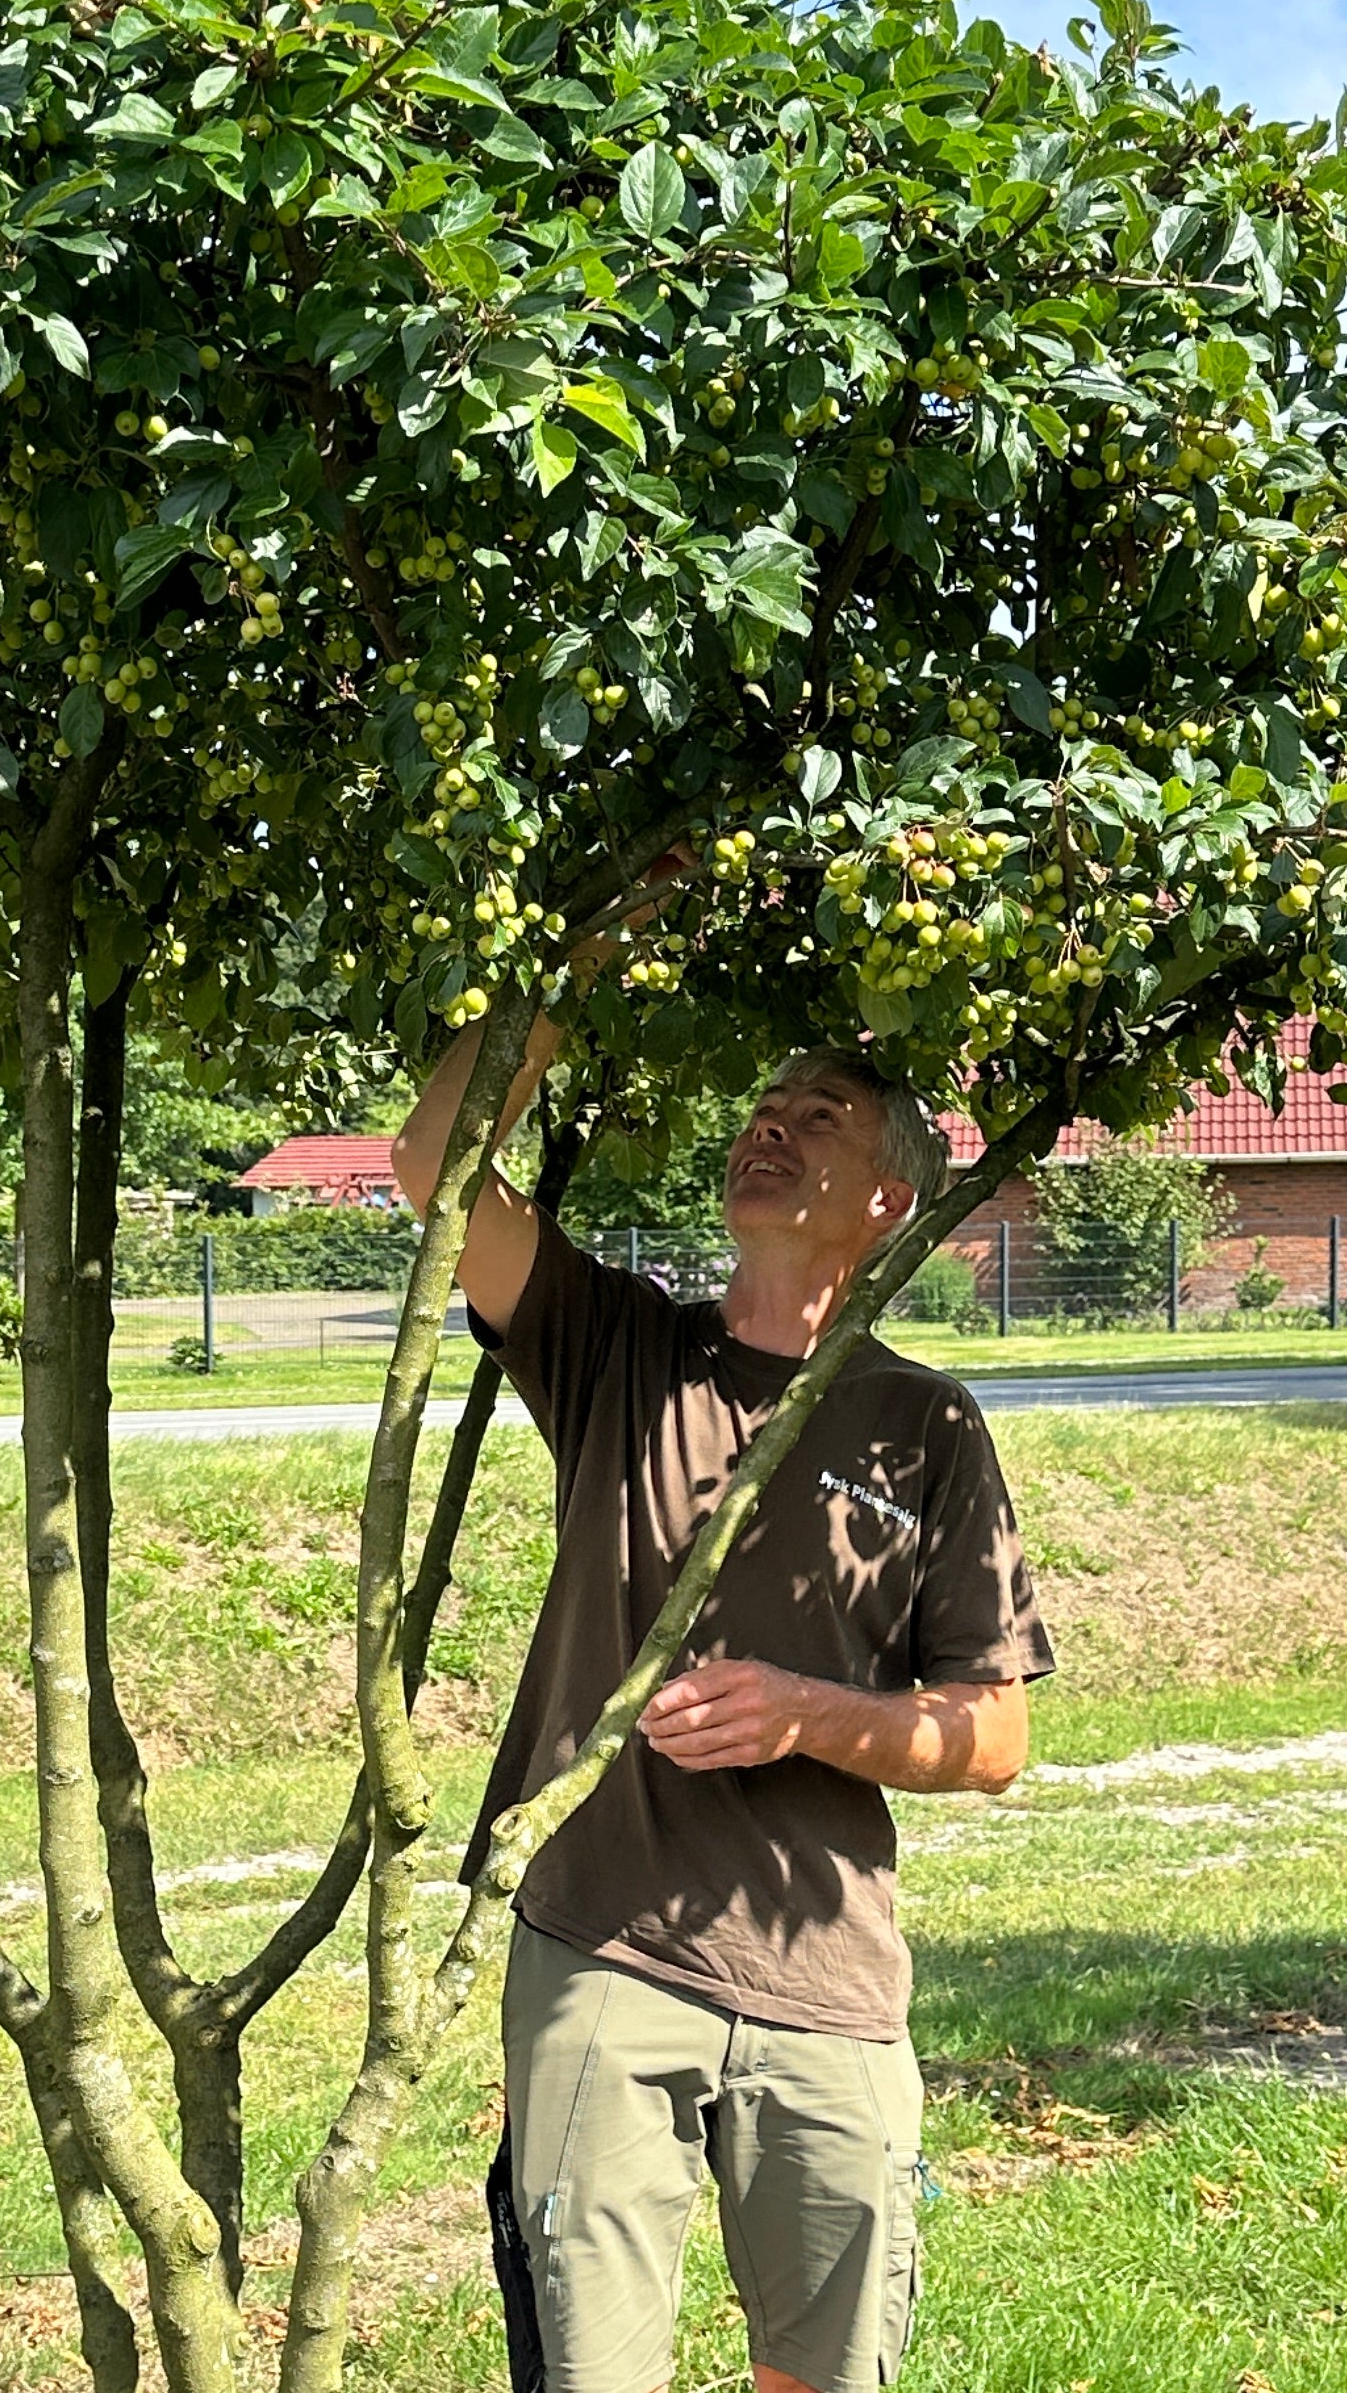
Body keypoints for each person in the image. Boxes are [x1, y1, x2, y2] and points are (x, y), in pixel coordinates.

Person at [392, 1011, 1054, 2393]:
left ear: (886, 1203)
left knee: (825, 2371)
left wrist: (805, 1713)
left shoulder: (924, 1426)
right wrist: (564, 986)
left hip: (825, 1974)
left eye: (818, 1117)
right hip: (598, 1945)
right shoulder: (621, 1350)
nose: (770, 1126)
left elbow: (991, 1737)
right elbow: (429, 1162)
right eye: (765, 1107)